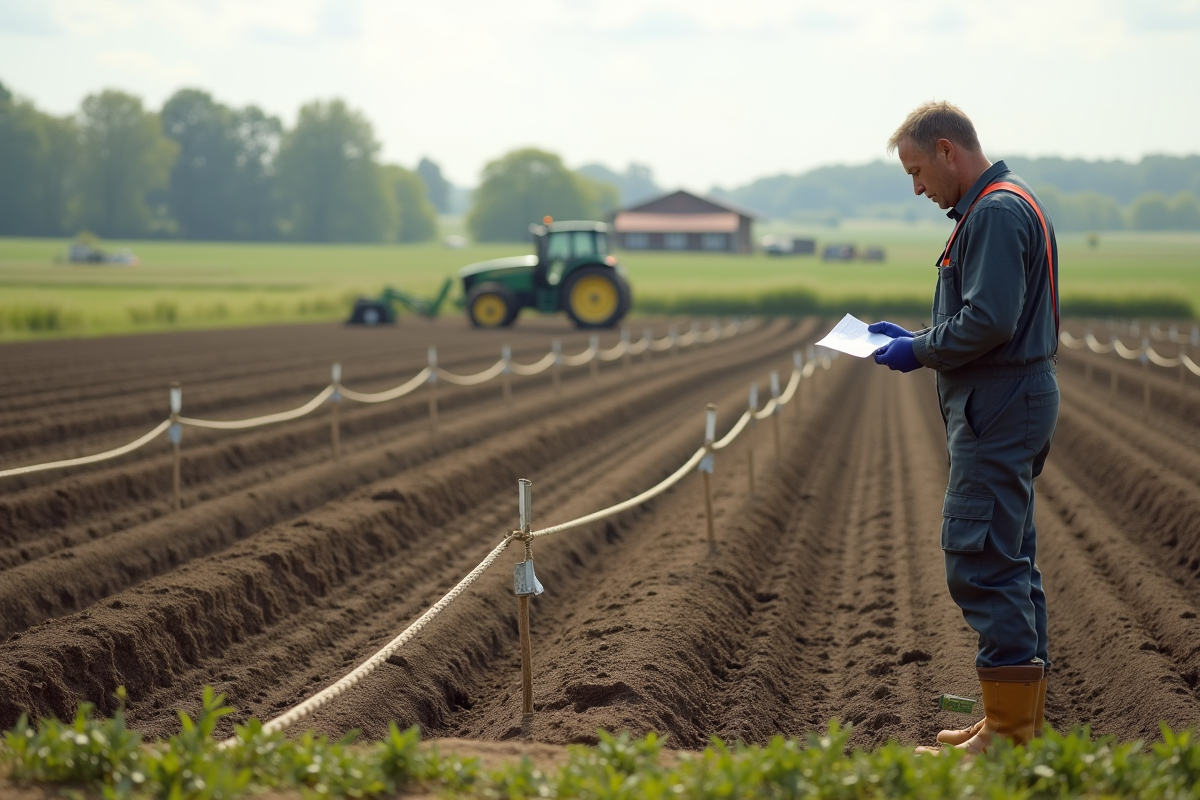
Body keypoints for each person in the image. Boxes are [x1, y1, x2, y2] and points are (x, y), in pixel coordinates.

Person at [869, 101, 1060, 754]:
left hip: (1000, 404)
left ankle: (1007, 742)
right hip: (1004, 401)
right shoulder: (996, 206)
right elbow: (985, 316)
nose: (918, 188)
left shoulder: (998, 212)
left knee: (981, 558)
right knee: (1008, 557)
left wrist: (917, 350)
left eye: (918, 171)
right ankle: (1014, 727)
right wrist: (921, 338)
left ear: (948, 151)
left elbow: (990, 321)